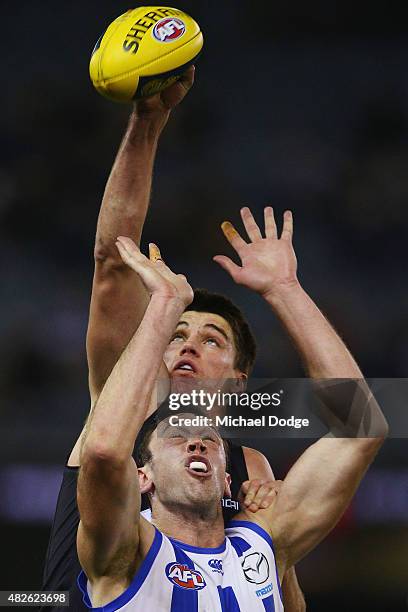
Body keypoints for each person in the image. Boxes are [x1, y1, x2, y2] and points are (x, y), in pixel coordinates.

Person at [41, 70, 306, 611]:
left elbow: (277, 598)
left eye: (212, 339)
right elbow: (114, 261)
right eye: (177, 332)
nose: (187, 345)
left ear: (239, 378)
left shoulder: (247, 465)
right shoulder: (126, 406)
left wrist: (279, 542)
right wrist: (147, 122)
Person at [76, 228, 387, 610]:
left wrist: (285, 289)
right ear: (143, 477)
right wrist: (164, 303)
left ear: (228, 480)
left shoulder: (261, 541)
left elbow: (361, 426)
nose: (196, 442)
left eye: (209, 441)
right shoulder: (128, 550)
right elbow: (105, 452)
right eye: (176, 438)